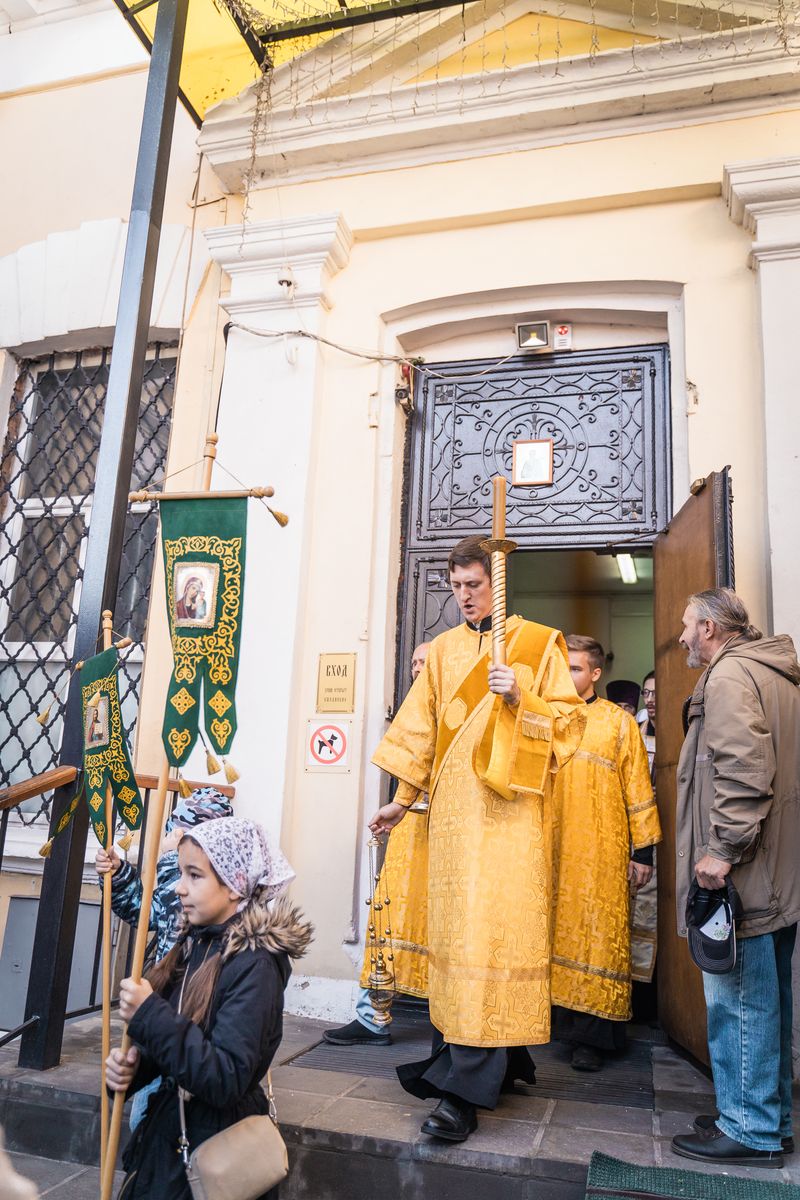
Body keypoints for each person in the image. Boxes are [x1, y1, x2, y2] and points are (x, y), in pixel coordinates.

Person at [369, 535, 585, 1142]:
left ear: (498, 584)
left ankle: (463, 1092)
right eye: (457, 586)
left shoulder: (539, 645)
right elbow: (421, 733)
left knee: (492, 943)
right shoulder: (441, 651)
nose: (464, 596)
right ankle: (502, 1061)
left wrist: (520, 695)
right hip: (453, 828)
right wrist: (401, 801)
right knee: (459, 946)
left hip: (511, 825)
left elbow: (569, 729)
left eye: (475, 585)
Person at [106, 816, 311, 1200]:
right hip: (169, 1139)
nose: (179, 887)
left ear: (234, 885)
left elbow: (224, 1076)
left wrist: (149, 1013)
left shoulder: (255, 965)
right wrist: (136, 1067)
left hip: (213, 1143)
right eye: (182, 872)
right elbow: (183, 1037)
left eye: (194, 875)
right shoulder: (196, 943)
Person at [670, 589, 800, 1170]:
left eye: (687, 625)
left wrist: (721, 849)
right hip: (777, 871)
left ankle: (748, 1128)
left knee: (740, 1001)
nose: (682, 637)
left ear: (710, 628)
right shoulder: (773, 672)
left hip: (746, 872)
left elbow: (744, 772)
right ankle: (769, 1121)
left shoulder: (728, 677)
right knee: (767, 1002)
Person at [550, 636, 661, 1071]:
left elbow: (638, 787)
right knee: (553, 935)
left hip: (603, 851)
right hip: (552, 849)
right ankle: (554, 1027)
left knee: (597, 939)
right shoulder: (545, 715)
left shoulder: (619, 722)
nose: (567, 675)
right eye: (563, 667)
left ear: (595, 673)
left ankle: (593, 1040)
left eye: (575, 668)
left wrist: (643, 853)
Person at [96, 787, 233, 1130]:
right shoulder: (186, 891)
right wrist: (119, 875)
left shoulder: (206, 896)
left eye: (193, 873)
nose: (184, 886)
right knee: (147, 1116)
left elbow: (174, 906)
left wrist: (172, 859)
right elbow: (148, 912)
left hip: (188, 1021)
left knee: (160, 1116)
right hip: (165, 1020)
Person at [324, 643, 431, 1047]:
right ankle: (372, 1017)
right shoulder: (412, 711)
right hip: (409, 832)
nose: (417, 668)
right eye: (414, 662)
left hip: (448, 835)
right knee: (388, 919)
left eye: (426, 662)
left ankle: (453, 1023)